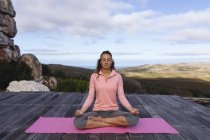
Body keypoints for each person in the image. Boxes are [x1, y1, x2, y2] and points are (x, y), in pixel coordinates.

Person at [74, 50, 140, 129]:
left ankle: (100, 121)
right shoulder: (94, 76)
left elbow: (121, 97)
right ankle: (112, 123)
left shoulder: (118, 76)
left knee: (134, 118)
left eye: (108, 60)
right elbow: (90, 96)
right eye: (103, 60)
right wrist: (82, 110)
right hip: (97, 112)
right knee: (78, 122)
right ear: (100, 62)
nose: (106, 62)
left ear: (111, 62)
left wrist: (131, 109)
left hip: (113, 112)